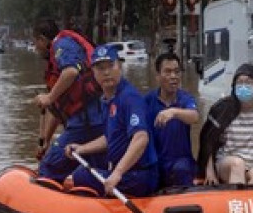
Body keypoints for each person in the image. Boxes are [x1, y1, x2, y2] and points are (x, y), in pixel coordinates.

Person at [66, 44, 159, 197]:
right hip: (127, 171)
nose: (107, 72)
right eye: (100, 68)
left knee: (80, 176)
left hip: (141, 176)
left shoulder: (129, 98)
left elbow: (141, 138)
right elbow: (111, 138)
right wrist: (81, 148)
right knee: (90, 159)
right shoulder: (107, 100)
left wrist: (117, 174)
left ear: (120, 66)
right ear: (93, 73)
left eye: (111, 66)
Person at [32, 19, 106, 182]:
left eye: (35, 43)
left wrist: (48, 97)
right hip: (88, 121)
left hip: (86, 122)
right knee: (91, 170)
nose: (35, 48)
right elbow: (57, 111)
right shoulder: (57, 63)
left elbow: (71, 72)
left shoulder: (62, 45)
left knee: (48, 167)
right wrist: (46, 141)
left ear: (43, 40)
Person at [144, 51, 199, 188]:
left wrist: (174, 112)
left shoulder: (185, 99)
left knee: (182, 169)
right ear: (157, 76)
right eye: (167, 72)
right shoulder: (147, 101)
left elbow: (194, 117)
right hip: (156, 161)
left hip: (181, 161)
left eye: (176, 72)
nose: (173, 76)